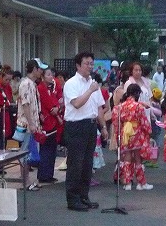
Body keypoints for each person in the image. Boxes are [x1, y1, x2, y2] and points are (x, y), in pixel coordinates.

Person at [63, 51, 108, 212]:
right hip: (76, 126)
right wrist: (90, 90)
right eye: (87, 63)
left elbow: (99, 108)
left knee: (87, 164)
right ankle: (73, 199)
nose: (90, 66)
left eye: (91, 63)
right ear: (78, 65)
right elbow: (76, 104)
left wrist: (103, 127)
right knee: (76, 164)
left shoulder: (93, 83)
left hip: (90, 125)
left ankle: (84, 195)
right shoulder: (72, 83)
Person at [112, 83, 153, 191]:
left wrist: (118, 135)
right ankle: (141, 183)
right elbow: (144, 122)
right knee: (138, 159)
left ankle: (127, 183)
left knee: (126, 158)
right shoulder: (138, 106)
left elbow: (116, 123)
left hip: (125, 133)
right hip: (136, 133)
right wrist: (148, 132)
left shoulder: (119, 107)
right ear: (137, 93)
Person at [17, 58, 47, 191]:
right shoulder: (26, 84)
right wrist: (31, 123)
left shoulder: (32, 84)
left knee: (29, 152)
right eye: (40, 69)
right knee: (25, 153)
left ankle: (27, 180)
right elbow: (26, 104)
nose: (41, 71)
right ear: (34, 69)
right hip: (26, 124)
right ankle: (25, 181)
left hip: (32, 123)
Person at [37, 66, 64, 184]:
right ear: (43, 76)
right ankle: (44, 174)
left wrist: (57, 108)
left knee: (51, 148)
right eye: (48, 74)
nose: (51, 77)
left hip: (53, 120)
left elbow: (57, 102)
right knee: (46, 149)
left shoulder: (50, 88)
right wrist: (56, 109)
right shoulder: (41, 88)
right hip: (47, 120)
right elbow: (49, 104)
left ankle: (48, 173)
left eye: (51, 74)